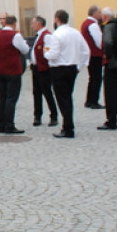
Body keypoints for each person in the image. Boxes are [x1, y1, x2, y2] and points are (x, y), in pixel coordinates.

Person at [44, 9, 91, 139]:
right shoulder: (76, 33)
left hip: (59, 68)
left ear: (56, 19)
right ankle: (68, 125)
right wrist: (80, 66)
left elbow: (53, 54)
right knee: (68, 97)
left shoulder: (57, 35)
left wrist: (45, 54)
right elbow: (86, 51)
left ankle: (68, 127)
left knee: (62, 99)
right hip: (72, 68)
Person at [0, 13, 29, 134]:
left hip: (0, 70)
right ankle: (9, 124)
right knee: (11, 98)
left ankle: (0, 124)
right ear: (14, 24)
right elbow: (25, 49)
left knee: (1, 97)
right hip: (13, 70)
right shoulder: (15, 35)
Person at [29, 15, 58, 128]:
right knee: (36, 92)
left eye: (33, 23)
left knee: (47, 92)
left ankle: (53, 115)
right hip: (36, 67)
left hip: (44, 68)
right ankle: (37, 115)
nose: (32, 25)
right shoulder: (38, 36)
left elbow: (48, 51)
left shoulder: (47, 36)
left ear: (39, 24)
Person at [81, 5, 105, 109]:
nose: (100, 14)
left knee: (92, 78)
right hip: (95, 55)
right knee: (96, 78)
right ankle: (93, 101)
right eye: (99, 12)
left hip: (90, 54)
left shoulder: (86, 23)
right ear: (94, 13)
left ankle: (89, 100)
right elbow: (99, 42)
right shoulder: (93, 25)